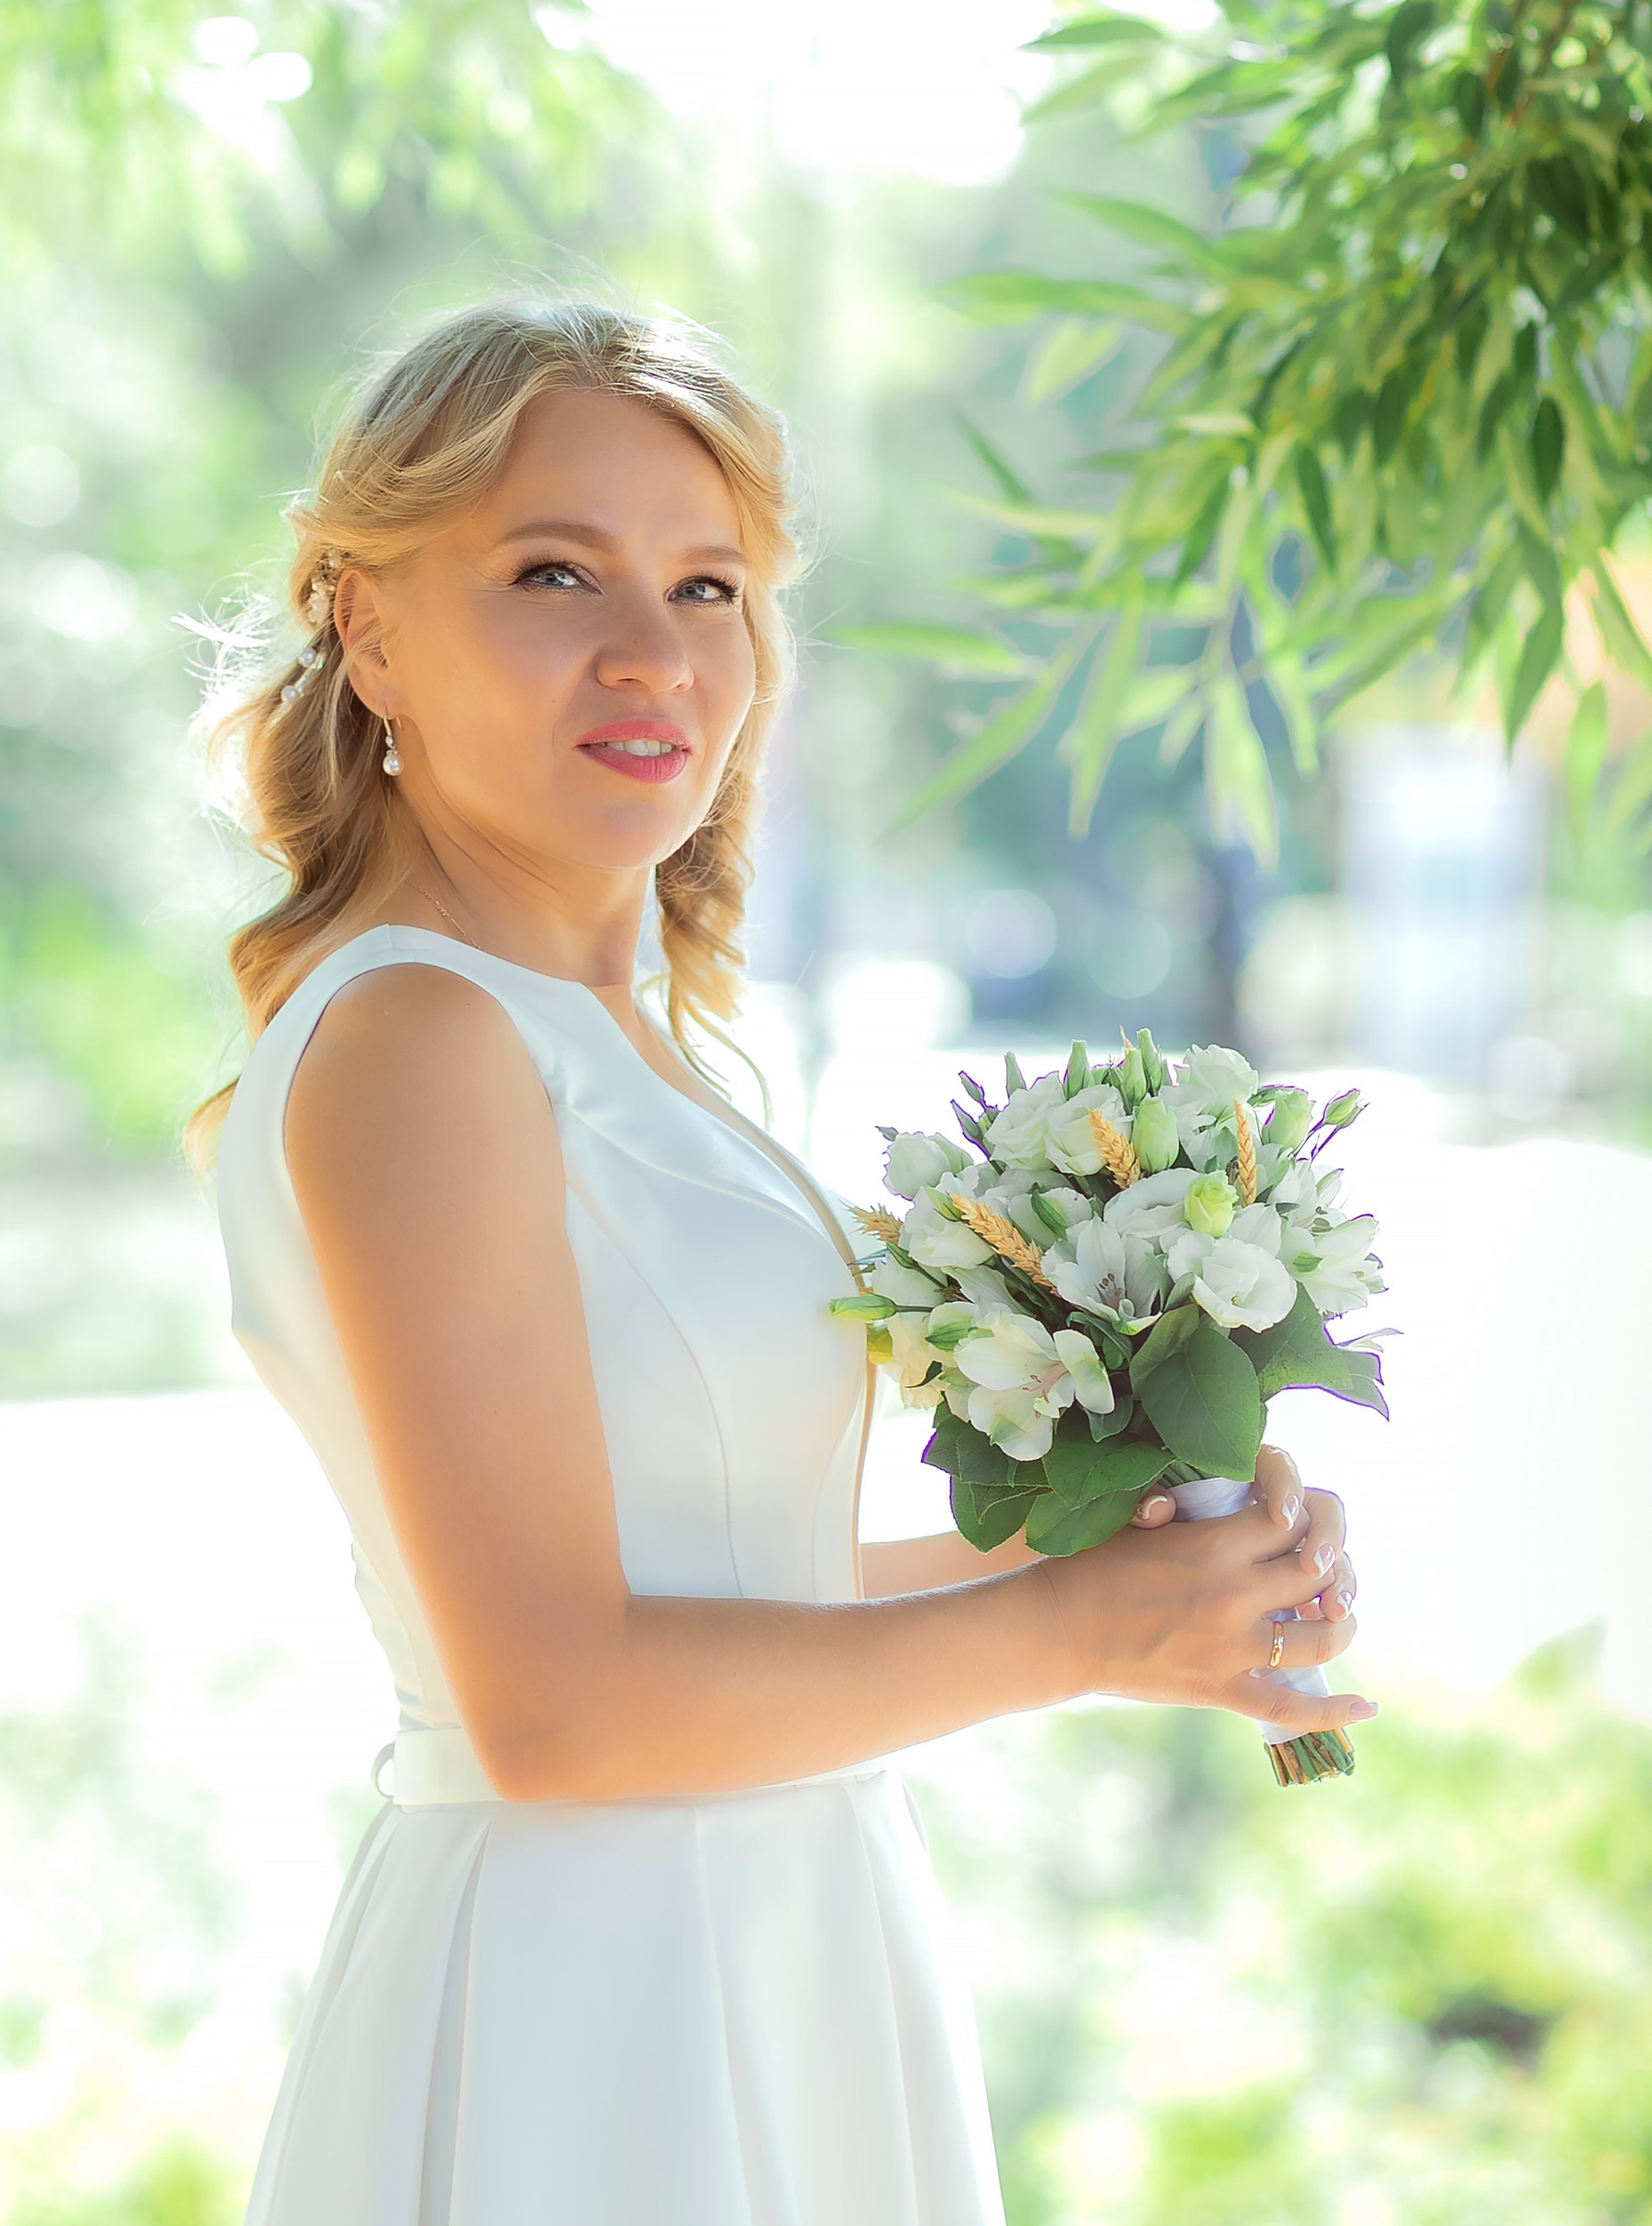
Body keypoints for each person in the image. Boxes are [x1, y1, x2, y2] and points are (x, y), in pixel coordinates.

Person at [194, 301, 1366, 2225]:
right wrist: (1068, 1634)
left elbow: (718, 1576)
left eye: (708, 583)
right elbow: (554, 1703)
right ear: (366, 622)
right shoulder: (420, 1041)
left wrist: (1126, 1571)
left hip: (780, 1928)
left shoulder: (616, 1037)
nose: (650, 650)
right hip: (592, 2007)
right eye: (550, 571)